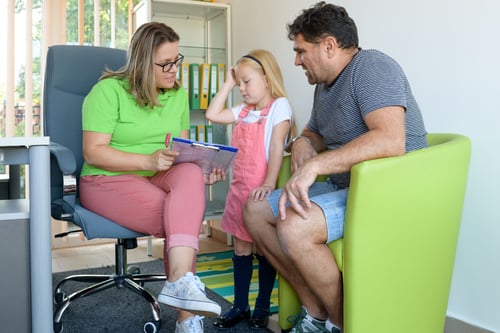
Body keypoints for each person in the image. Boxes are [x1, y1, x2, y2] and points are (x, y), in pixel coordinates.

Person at [242, 2, 428, 333]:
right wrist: (302, 142)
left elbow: (390, 139)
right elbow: (314, 133)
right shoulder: (323, 86)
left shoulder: (372, 67)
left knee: (294, 226)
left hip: (387, 190)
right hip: (347, 186)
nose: (296, 60)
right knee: (255, 211)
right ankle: (315, 312)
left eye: (301, 51)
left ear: (328, 45)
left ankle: (342, 324)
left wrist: (318, 165)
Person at [79, 22, 225, 333]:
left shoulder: (178, 95)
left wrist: (201, 171)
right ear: (144, 63)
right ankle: (189, 319)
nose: (175, 70)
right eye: (166, 64)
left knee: (188, 175)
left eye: (177, 60)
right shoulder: (107, 92)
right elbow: (94, 152)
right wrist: (147, 159)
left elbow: (183, 151)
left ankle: (180, 287)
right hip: (107, 178)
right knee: (182, 217)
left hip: (158, 175)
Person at [206, 49, 292, 329]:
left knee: (265, 249)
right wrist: (228, 84)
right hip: (238, 191)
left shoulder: (279, 107)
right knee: (241, 248)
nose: (242, 88)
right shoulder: (243, 112)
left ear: (267, 79)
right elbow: (212, 113)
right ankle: (240, 306)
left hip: (262, 192)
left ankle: (262, 308)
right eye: (239, 83)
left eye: (246, 82)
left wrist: (269, 183)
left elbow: (277, 146)